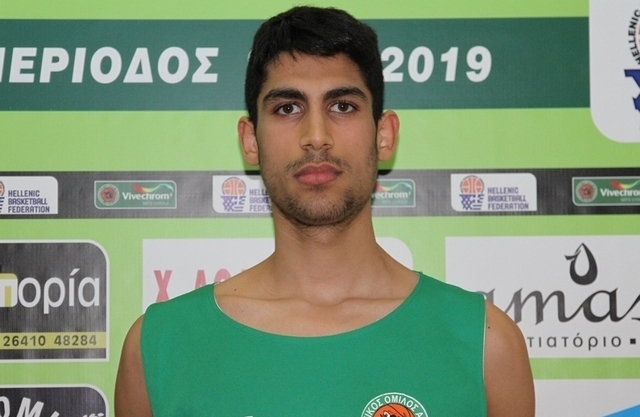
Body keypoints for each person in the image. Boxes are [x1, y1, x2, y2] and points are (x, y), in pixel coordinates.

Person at [115, 6, 535, 417]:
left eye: (342, 106)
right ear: (250, 140)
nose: (316, 136)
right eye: (287, 108)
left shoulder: (486, 345)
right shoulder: (158, 347)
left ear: (384, 135)